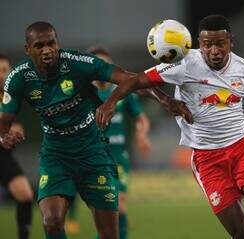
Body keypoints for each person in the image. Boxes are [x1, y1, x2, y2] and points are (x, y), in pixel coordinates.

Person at [96, 15, 244, 239]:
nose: (213, 50)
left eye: (220, 43)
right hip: (206, 158)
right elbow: (134, 81)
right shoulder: (183, 65)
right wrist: (116, 103)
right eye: (207, 44)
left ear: (231, 42)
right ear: (199, 44)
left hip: (242, 147)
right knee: (241, 233)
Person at [0, 22, 191, 239]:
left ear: (58, 43)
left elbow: (130, 78)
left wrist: (164, 99)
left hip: (94, 154)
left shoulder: (77, 63)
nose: (47, 50)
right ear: (28, 49)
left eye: (51, 43)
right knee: (51, 221)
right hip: (56, 155)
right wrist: (4, 135)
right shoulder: (19, 77)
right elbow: (5, 120)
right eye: (39, 45)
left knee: (109, 233)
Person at [66, 47, 151, 239]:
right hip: (93, 157)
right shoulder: (82, 93)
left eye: (104, 64)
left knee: (118, 205)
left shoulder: (122, 92)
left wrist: (142, 134)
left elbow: (141, 118)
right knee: (107, 211)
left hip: (118, 157)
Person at [0, 54, 34, 239]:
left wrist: (14, 132)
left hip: (4, 157)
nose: (5, 74)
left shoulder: (9, 96)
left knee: (25, 195)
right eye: (1, 70)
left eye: (7, 70)